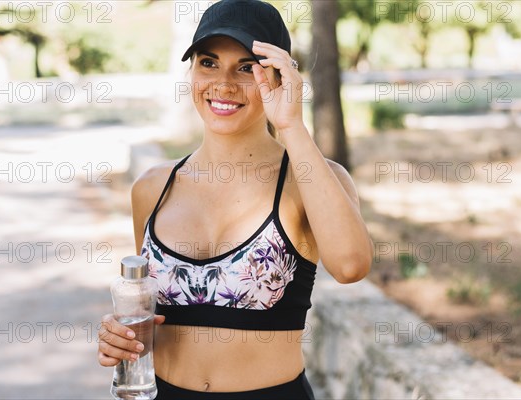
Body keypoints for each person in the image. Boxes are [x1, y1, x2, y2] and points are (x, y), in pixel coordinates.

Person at [97, 0, 373, 398]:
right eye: (208, 63)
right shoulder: (152, 187)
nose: (224, 84)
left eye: (247, 68)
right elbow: (149, 314)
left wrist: (292, 125)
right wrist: (119, 336)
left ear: (280, 77)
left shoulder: (309, 180)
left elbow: (350, 266)